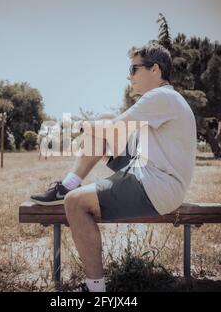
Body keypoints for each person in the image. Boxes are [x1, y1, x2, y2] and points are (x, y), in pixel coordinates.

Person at [31, 41, 197, 292]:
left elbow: (113, 131)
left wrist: (80, 127)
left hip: (157, 184)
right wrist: (96, 132)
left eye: (133, 69)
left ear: (155, 69)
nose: (129, 76)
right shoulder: (164, 98)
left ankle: (95, 289)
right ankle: (68, 184)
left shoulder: (161, 96)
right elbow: (115, 127)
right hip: (146, 169)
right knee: (106, 119)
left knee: (75, 204)